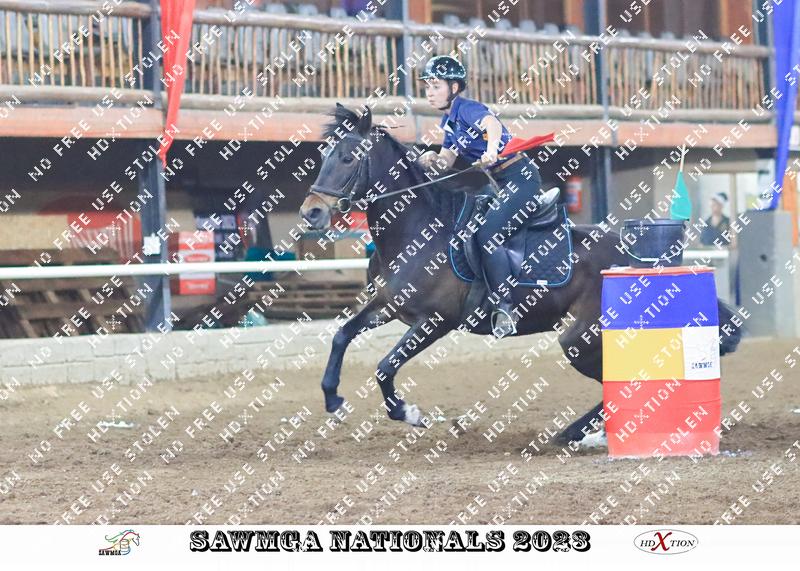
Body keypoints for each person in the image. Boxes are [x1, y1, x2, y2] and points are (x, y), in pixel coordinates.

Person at [416, 55, 555, 339]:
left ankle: (505, 308)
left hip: (519, 178)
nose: (429, 92)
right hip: (500, 183)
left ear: (454, 87)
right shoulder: (449, 123)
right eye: (427, 86)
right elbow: (446, 161)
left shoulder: (467, 109)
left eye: (436, 86)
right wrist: (430, 159)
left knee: (487, 235)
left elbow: (492, 123)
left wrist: (491, 149)